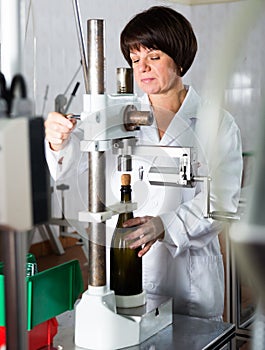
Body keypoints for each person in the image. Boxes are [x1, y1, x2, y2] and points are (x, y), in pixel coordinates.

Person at [45, 6, 243, 320]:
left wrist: (163, 225)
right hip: (129, 278)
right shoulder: (117, 117)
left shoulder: (217, 123)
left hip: (192, 282)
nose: (142, 68)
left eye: (153, 56)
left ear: (179, 58)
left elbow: (221, 203)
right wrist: (58, 141)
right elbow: (76, 171)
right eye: (135, 59)